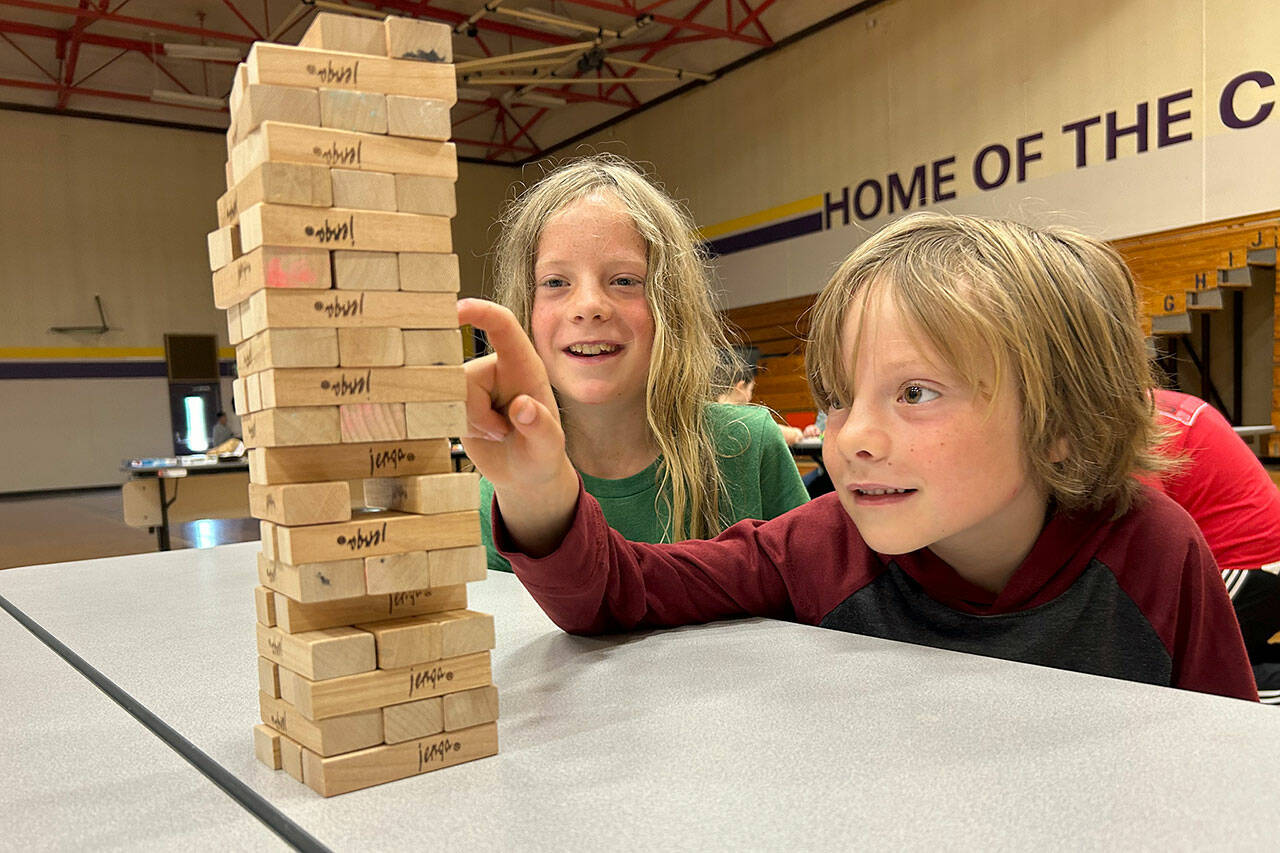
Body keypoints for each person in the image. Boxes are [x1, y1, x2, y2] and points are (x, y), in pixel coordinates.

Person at [459, 212, 1257, 701]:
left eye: (914, 393)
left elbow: (1225, 765)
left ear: (1059, 421)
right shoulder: (821, 544)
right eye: (839, 397)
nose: (851, 437)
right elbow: (620, 594)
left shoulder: (1154, 550)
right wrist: (539, 489)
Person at [475, 154, 808, 573]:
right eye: (556, 282)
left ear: (670, 304)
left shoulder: (748, 446)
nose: (589, 306)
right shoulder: (508, 477)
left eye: (625, 281)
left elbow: (813, 611)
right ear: (525, 308)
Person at [1149, 388, 1280, 703]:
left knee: (1161, 661)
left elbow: (1145, 547)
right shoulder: (1159, 404)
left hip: (1247, 568)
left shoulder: (1127, 429)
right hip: (1261, 562)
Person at [713, 347, 805, 444]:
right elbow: (776, 433)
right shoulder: (748, 419)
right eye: (750, 390)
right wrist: (796, 432)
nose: (750, 397)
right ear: (740, 387)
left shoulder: (705, 413)